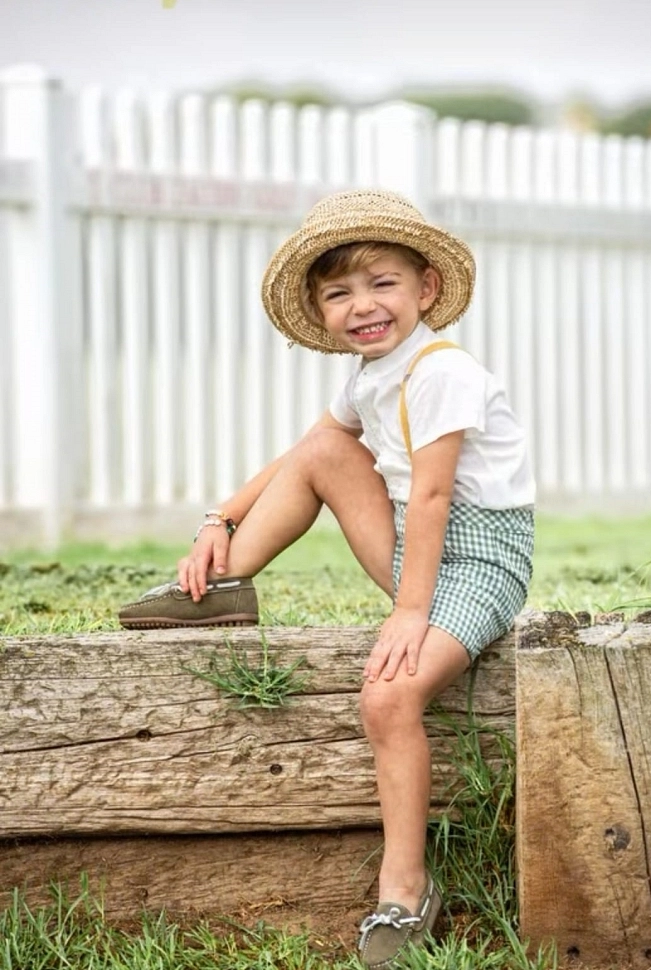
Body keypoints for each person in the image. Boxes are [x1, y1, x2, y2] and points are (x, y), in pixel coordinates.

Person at [119, 189, 535, 968]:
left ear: (426, 289)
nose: (363, 306)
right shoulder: (368, 374)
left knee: (389, 693)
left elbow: (440, 495)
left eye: (382, 283)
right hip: (418, 546)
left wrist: (411, 613)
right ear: (319, 308)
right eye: (339, 292)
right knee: (320, 450)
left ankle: (404, 890)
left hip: (478, 560)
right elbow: (308, 452)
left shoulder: (443, 372)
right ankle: (221, 584)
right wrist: (221, 520)